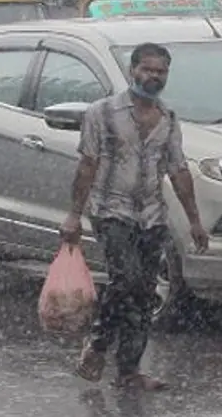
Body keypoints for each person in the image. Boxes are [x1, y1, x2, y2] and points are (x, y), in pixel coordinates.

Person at [62, 42, 211, 391]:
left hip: (152, 214)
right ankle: (97, 346)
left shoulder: (169, 119)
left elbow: (178, 170)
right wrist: (73, 216)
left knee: (144, 292)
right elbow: (87, 165)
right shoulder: (102, 113)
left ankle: (128, 370)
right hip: (111, 210)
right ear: (133, 71)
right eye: (147, 69)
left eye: (161, 72)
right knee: (126, 280)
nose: (153, 77)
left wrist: (194, 221)